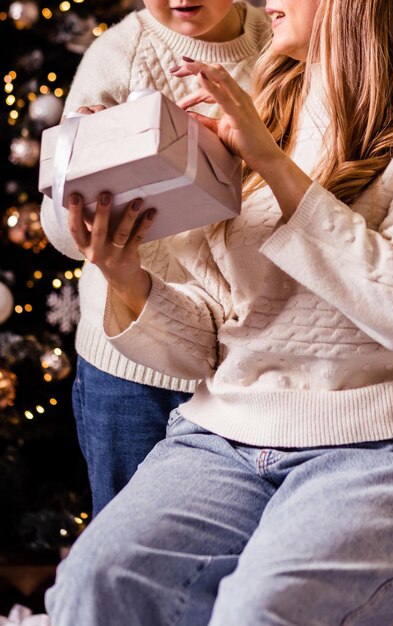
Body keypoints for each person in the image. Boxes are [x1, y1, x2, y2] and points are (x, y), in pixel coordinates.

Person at [45, 0, 393, 624]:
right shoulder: (258, 109)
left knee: (258, 611)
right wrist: (124, 276)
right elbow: (206, 343)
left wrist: (270, 163)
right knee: (90, 588)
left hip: (380, 450)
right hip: (220, 440)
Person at [40, 0, 269, 516]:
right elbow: (59, 227)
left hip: (242, 361)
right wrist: (88, 166)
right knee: (124, 528)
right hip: (126, 371)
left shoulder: (279, 43)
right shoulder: (117, 55)